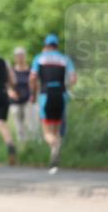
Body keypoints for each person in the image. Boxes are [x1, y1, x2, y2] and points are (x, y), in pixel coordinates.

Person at [29, 34, 76, 175]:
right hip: (61, 95)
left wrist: (33, 94)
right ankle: (54, 159)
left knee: (47, 132)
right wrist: (65, 86)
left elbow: (32, 77)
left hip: (46, 95)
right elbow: (73, 78)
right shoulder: (65, 59)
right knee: (56, 129)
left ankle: (54, 147)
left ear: (45, 45)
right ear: (56, 45)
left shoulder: (39, 58)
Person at [8, 46, 36, 145]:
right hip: (15, 101)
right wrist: (10, 92)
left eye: (21, 55)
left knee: (30, 124)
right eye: (18, 55)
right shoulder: (11, 70)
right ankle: (21, 145)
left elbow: (35, 83)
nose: (20, 57)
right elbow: (7, 84)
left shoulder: (30, 69)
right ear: (15, 57)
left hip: (28, 99)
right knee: (18, 125)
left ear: (24, 56)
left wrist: (34, 95)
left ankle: (31, 145)